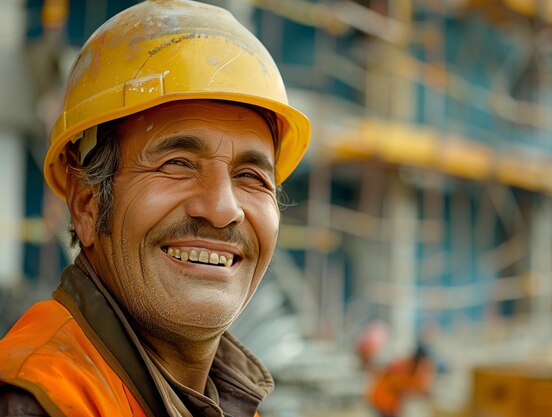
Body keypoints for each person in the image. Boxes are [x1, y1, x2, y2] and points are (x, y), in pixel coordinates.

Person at [0, 1, 310, 416]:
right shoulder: (41, 400)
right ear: (87, 204)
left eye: (251, 177)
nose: (222, 209)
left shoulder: (223, 401)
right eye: (176, 165)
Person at [367, 345, 436, 417]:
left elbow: (414, 387)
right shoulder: (404, 366)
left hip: (389, 404)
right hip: (383, 400)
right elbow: (394, 383)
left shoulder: (413, 371)